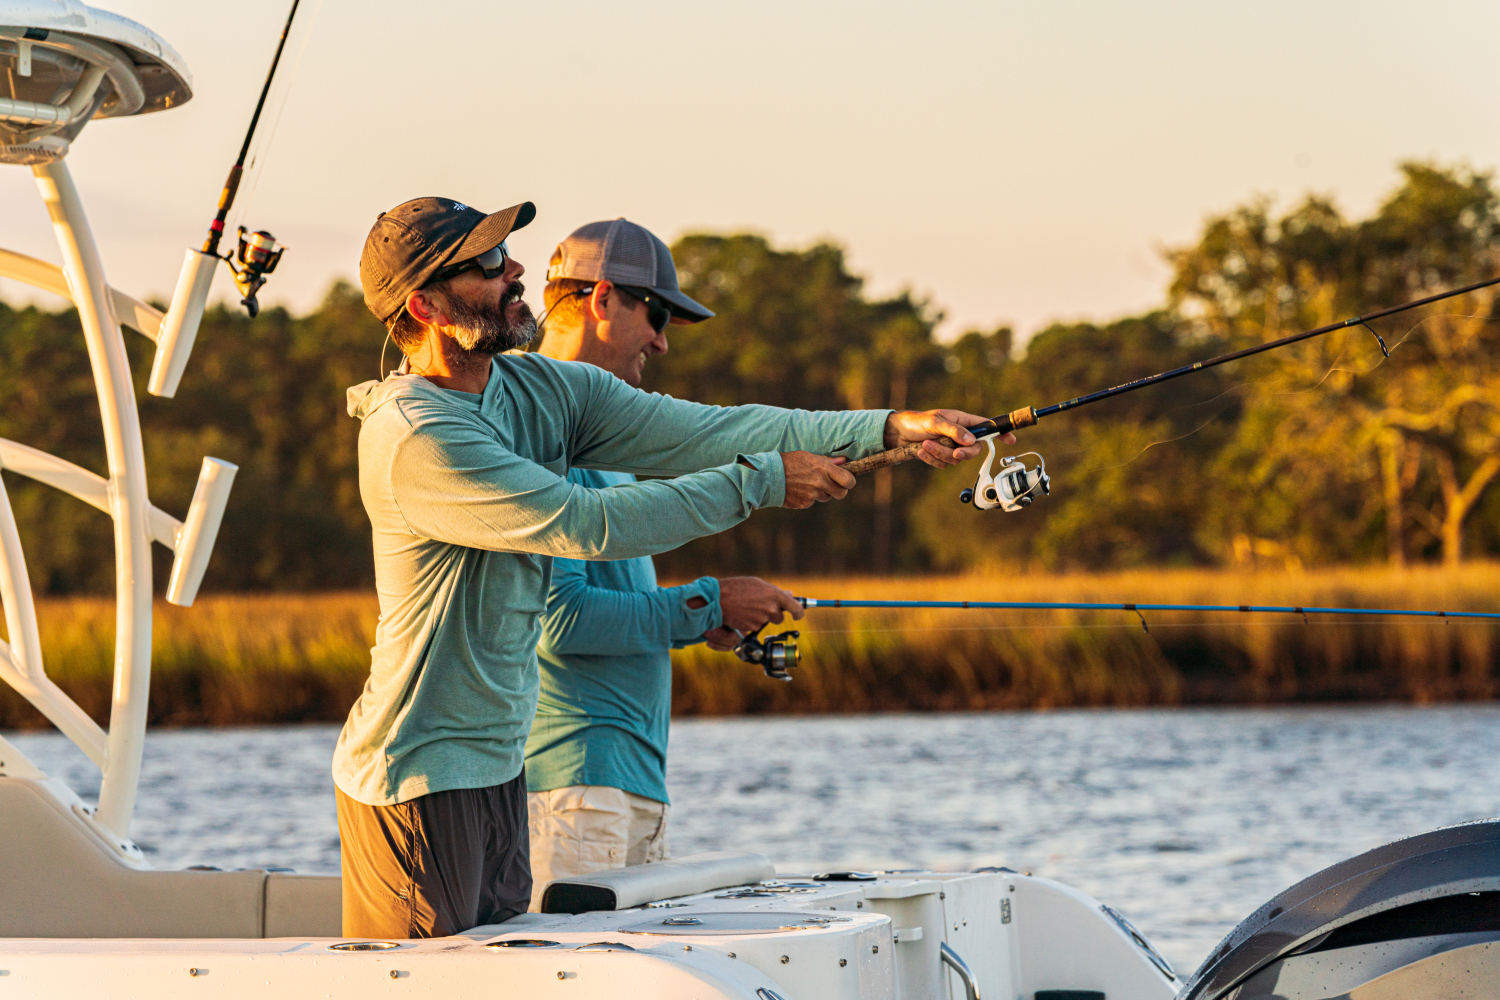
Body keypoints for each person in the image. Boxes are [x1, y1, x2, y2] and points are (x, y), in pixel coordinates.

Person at [336, 195, 1003, 939]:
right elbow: (586, 524)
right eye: (488, 262)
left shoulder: (543, 390)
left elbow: (708, 431)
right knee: (428, 985)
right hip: (415, 778)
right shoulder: (415, 435)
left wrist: (891, 427)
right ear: (426, 306)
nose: (515, 268)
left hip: (499, 769)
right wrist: (762, 484)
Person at [522, 219, 803, 909]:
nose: (663, 340)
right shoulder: (540, 435)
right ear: (602, 299)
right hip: (577, 788)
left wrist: (697, 621)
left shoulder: (601, 444)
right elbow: (559, 621)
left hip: (628, 787)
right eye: (656, 315)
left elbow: (611, 605)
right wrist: (707, 603)